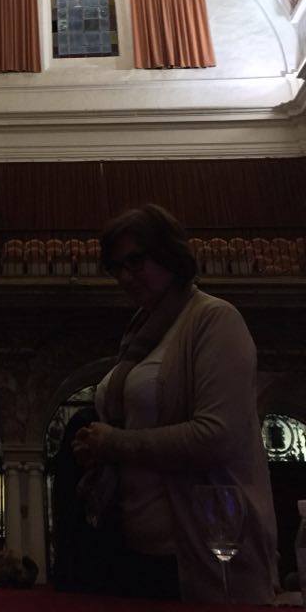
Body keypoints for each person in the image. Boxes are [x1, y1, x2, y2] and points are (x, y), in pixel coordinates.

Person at [73, 204, 278, 604]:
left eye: (136, 261)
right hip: (135, 550)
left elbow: (216, 437)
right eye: (116, 267)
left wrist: (113, 443)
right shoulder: (142, 332)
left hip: (199, 550)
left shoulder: (214, 319)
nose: (125, 276)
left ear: (169, 254)